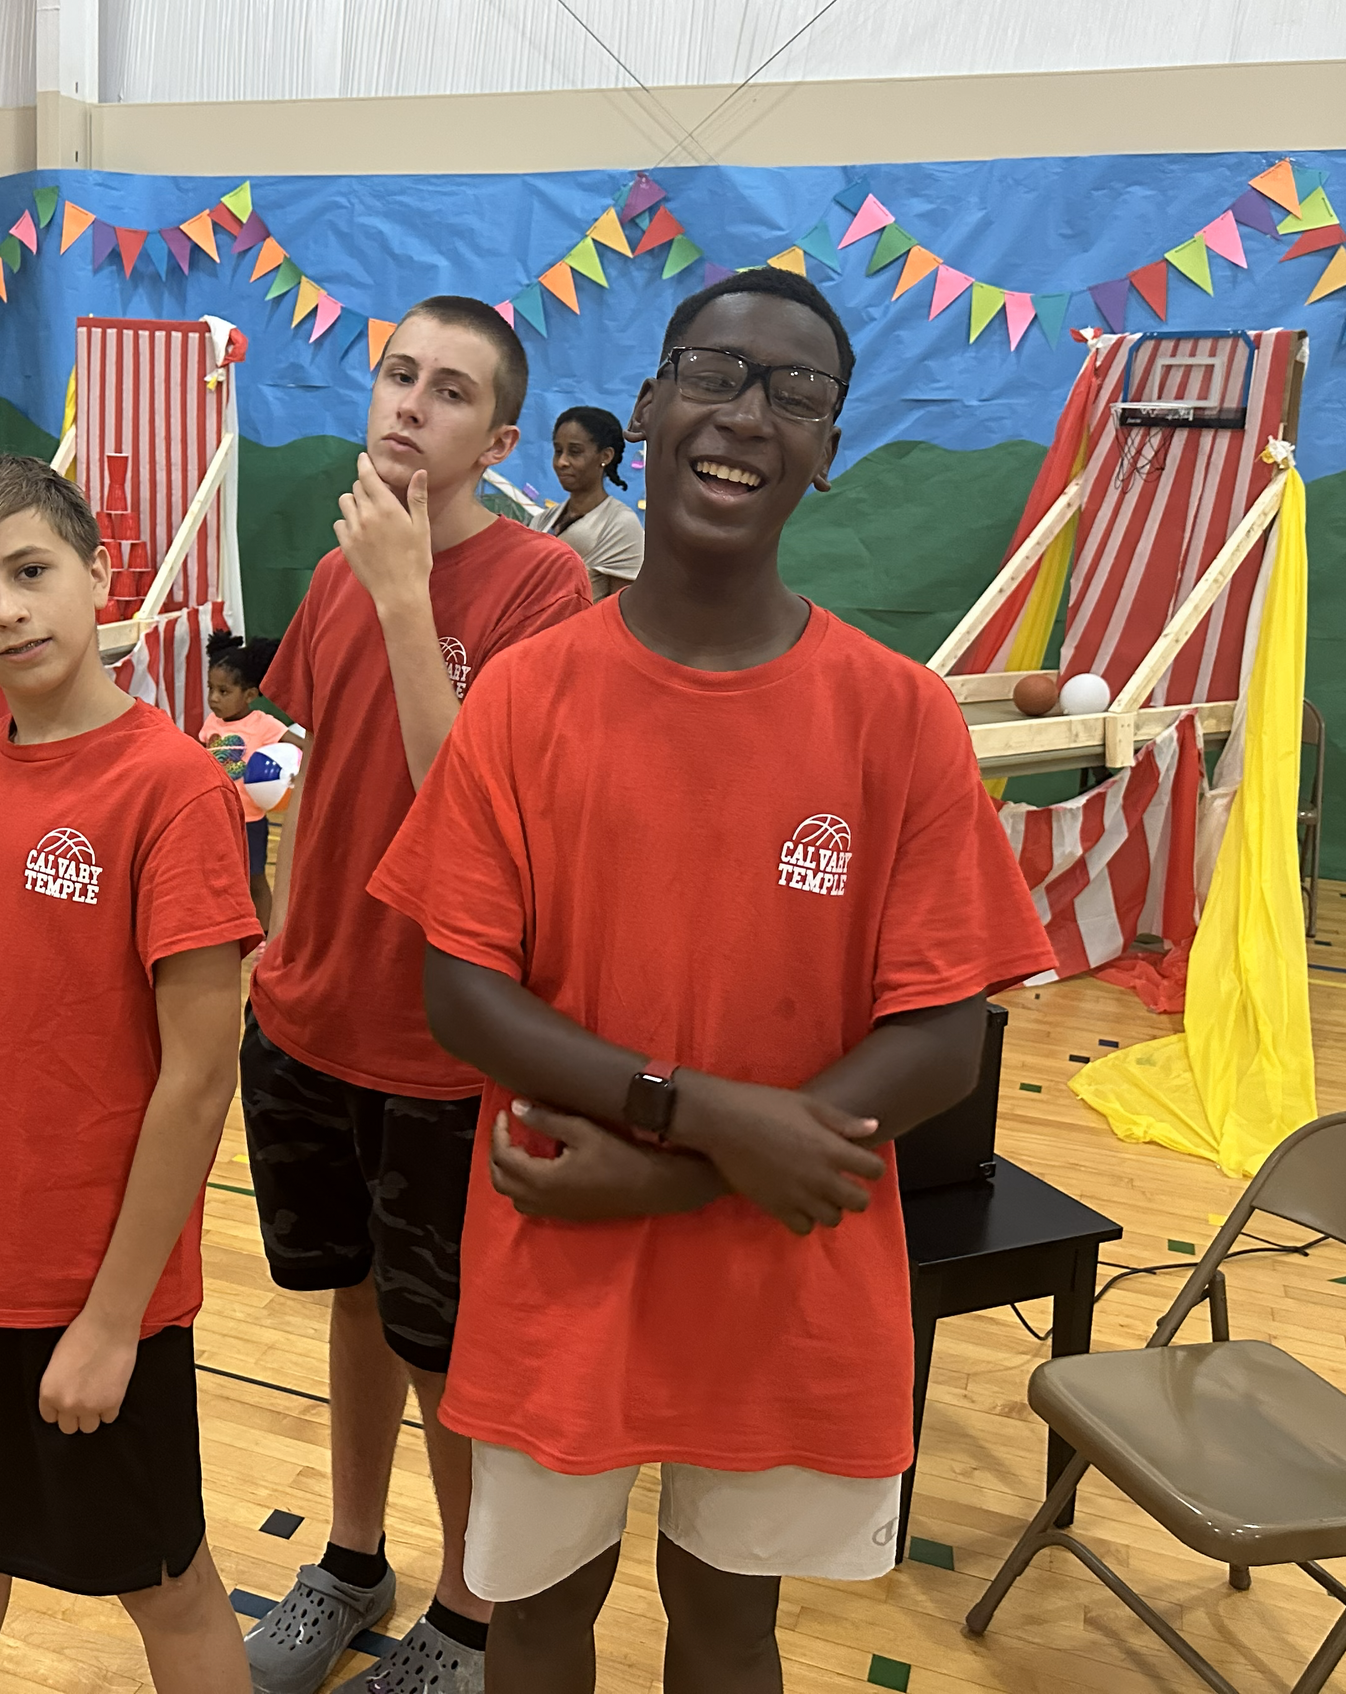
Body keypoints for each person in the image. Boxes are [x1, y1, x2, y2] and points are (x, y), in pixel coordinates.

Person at [367, 269, 1058, 1694]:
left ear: (831, 448)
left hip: (780, 1263)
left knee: (732, 1623)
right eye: (716, 372)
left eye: (798, 392)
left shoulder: (897, 715)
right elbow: (462, 991)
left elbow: (941, 1031)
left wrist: (675, 1167)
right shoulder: (529, 695)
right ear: (649, 406)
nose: (748, 413)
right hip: (564, 1252)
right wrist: (709, 1119)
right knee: (540, 1615)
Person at [0, 452, 261, 1694]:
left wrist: (114, 1320)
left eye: (28, 573)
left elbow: (198, 1079)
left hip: (84, 1286)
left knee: (162, 1581)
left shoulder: (173, 791)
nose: (6, 611)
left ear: (96, 574)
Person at [241, 298, 592, 1694]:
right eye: (397, 374)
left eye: (449, 392)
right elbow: (321, 767)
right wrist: (279, 946)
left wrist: (404, 591)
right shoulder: (340, 573)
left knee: (444, 1340)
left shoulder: (539, 589)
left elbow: (480, 815)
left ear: (498, 438)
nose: (408, 406)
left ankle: (469, 1605)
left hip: (442, 1039)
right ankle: (350, 1553)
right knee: (351, 1301)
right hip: (310, 1006)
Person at [202, 630, 287, 925]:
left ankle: (267, 934)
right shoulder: (211, 723)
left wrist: (292, 775)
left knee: (255, 879)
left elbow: (303, 748)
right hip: (216, 817)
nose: (213, 698)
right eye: (210, 688)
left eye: (223, 692)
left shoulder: (264, 725)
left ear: (250, 695)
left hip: (250, 821)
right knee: (221, 876)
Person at [530, 407, 641, 601]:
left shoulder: (621, 525)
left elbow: (622, 613)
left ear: (606, 456)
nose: (562, 462)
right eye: (558, 451)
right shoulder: (542, 520)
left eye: (575, 452)